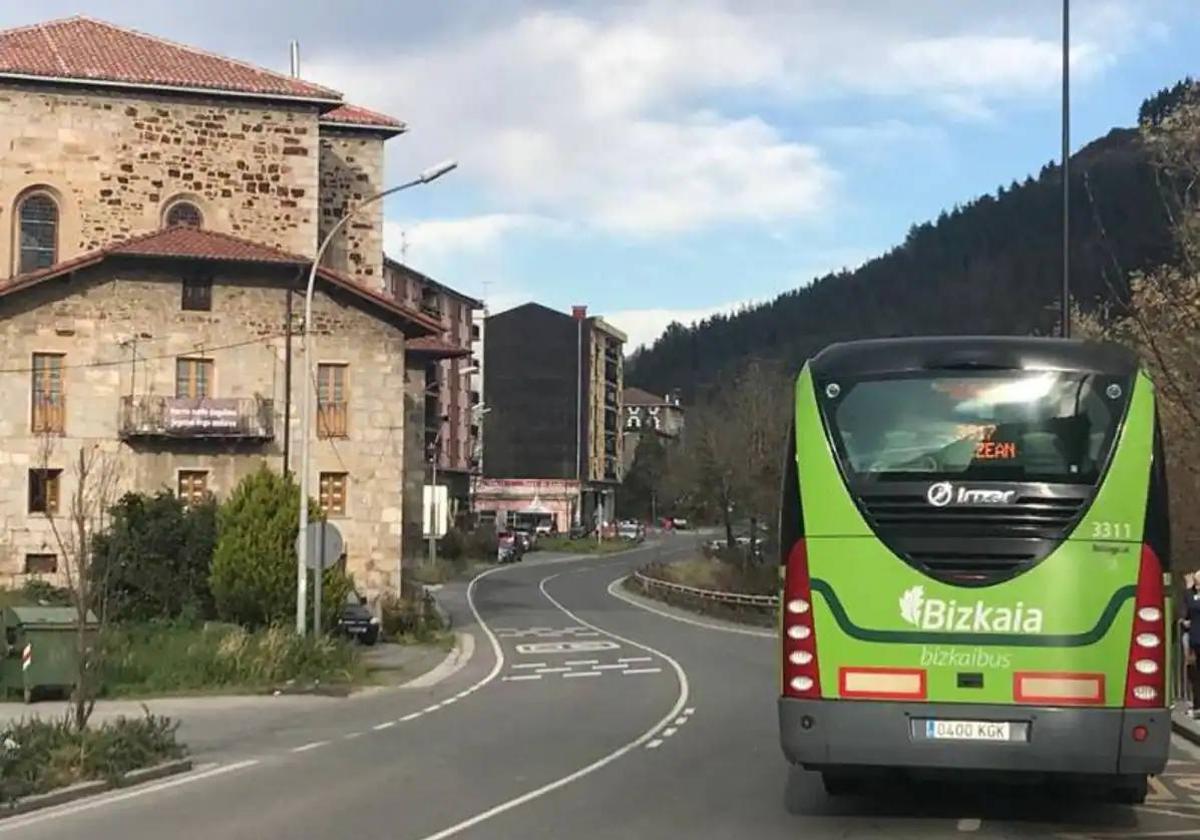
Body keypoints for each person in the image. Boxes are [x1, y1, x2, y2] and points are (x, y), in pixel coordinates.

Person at [1184, 573, 1200, 716]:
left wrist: (1189, 589)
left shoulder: (1194, 597)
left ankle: (1197, 706)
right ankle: (1196, 705)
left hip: (1197, 639)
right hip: (1195, 639)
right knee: (1195, 674)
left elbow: (1192, 604)